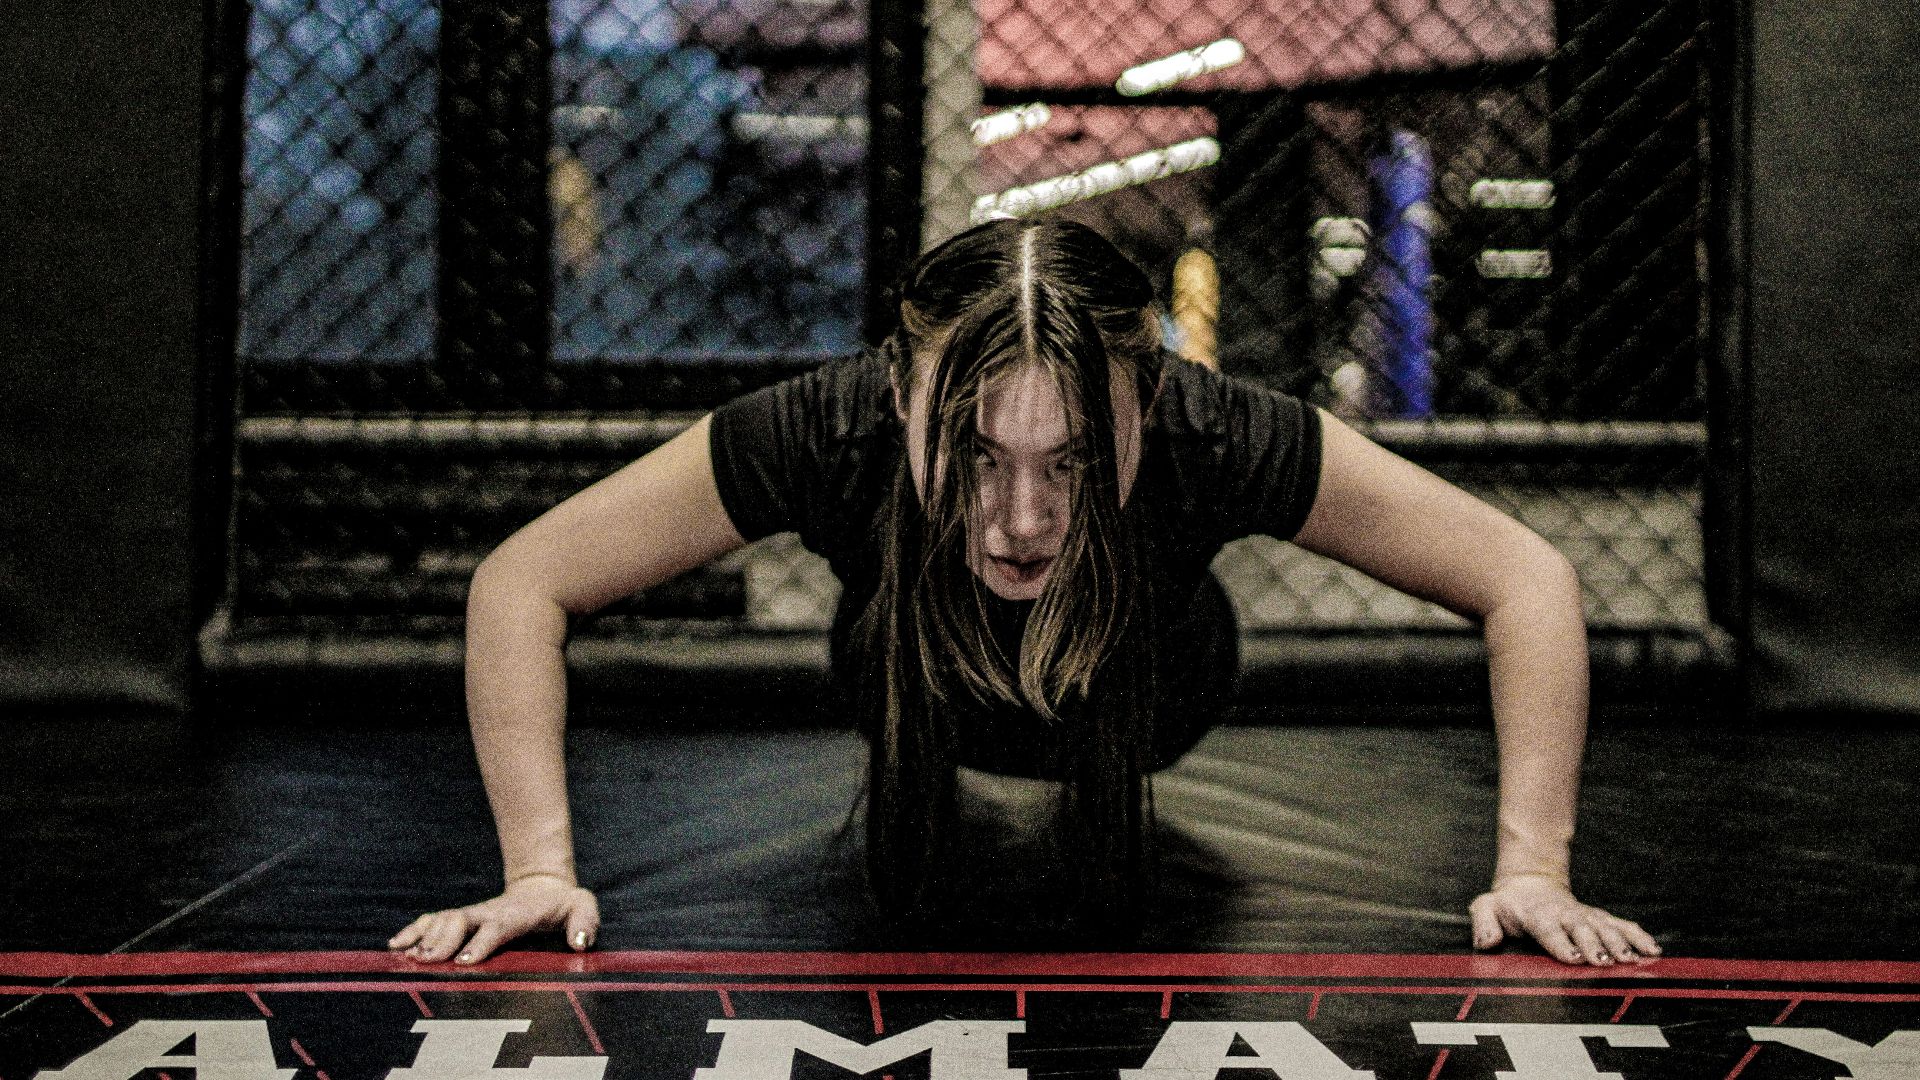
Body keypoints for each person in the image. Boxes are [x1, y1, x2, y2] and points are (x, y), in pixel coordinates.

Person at [388, 218, 1660, 967]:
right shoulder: (829, 425)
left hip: (1160, 686)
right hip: (903, 675)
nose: (1025, 519)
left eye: (1074, 462)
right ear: (901, 399)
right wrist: (537, 870)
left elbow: (1524, 577)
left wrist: (1534, 870)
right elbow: (523, 582)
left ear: (1147, 408)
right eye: (980, 457)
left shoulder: (1214, 427)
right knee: (904, 613)